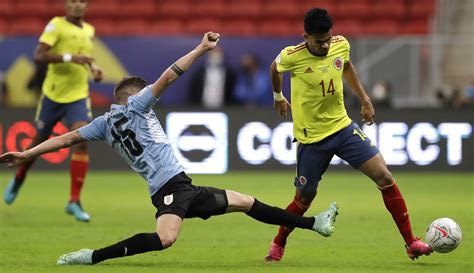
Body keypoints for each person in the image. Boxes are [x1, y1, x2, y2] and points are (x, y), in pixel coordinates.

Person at [0, 32, 339, 265]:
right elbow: (169, 76)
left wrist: (28, 153)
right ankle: (92, 256)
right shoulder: (137, 106)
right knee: (165, 239)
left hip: (183, 186)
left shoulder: (102, 124)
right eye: (145, 92)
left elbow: (65, 139)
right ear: (134, 96)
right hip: (169, 189)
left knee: (247, 202)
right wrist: (202, 49)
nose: (151, 94)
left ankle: (315, 225)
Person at [265, 8, 432, 261]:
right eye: (319, 42)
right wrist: (278, 96)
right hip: (312, 140)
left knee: (384, 176)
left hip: (343, 127)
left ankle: (411, 243)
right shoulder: (292, 56)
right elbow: (274, 69)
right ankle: (279, 242)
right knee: (304, 198)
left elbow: (347, 66)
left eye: (328, 39)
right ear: (306, 37)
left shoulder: (340, 44)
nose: (325, 46)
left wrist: (364, 99)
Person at [3, 0, 103, 222]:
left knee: (82, 138)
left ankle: (74, 201)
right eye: (73, 1)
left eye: (82, 2)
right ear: (66, 5)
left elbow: (82, 57)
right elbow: (39, 55)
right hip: (53, 95)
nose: (78, 5)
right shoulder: (55, 25)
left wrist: (93, 68)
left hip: (78, 95)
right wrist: (70, 58)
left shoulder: (89, 30)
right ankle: (20, 177)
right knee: (39, 141)